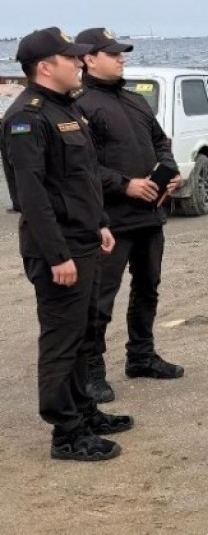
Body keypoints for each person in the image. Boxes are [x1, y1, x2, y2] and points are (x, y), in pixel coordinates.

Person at [0, 27, 131, 461]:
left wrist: (100, 223)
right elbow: (31, 195)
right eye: (69, 58)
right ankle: (66, 433)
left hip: (84, 239)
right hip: (58, 250)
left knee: (85, 331)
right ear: (44, 67)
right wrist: (58, 255)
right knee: (62, 341)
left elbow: (81, 178)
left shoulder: (64, 110)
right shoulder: (27, 118)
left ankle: (85, 412)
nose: (78, 63)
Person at [73, 27, 184, 406]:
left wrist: (168, 174)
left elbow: (161, 142)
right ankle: (92, 371)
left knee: (148, 288)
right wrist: (125, 184)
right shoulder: (80, 105)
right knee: (100, 298)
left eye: (122, 53)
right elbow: (81, 166)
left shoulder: (135, 100)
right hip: (110, 219)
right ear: (88, 59)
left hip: (149, 216)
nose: (122, 58)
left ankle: (141, 356)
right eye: (113, 53)